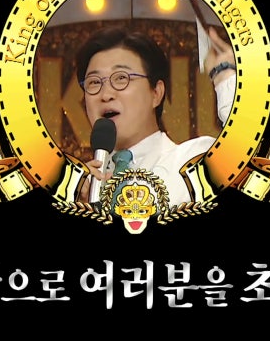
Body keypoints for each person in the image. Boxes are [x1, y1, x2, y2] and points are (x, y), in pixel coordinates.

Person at [77, 25, 236, 206]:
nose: (106, 95)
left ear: (156, 93)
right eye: (94, 82)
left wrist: (225, 75)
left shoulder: (195, 160)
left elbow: (251, 160)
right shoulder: (82, 185)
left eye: (121, 78)